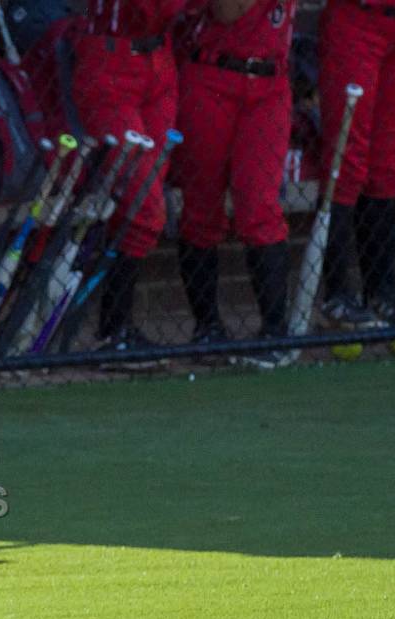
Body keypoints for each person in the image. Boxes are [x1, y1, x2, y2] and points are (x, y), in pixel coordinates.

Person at [174, 0, 295, 367]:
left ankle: (275, 332)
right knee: (201, 207)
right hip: (212, 76)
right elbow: (228, 11)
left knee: (259, 207)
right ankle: (208, 328)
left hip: (270, 84)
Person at [70, 0, 187, 352]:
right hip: (109, 65)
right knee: (145, 206)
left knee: (136, 207)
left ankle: (115, 329)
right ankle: (113, 328)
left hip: (159, 66)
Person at [316, 0, 395, 331]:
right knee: (346, 159)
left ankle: (381, 290)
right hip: (357, 19)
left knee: (389, 162)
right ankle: (337, 293)